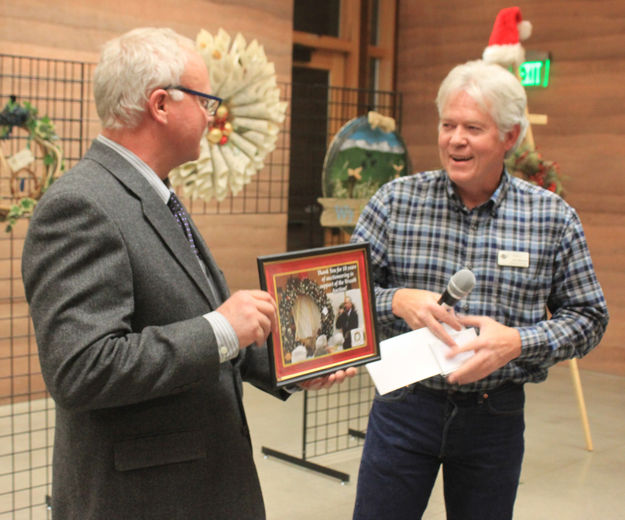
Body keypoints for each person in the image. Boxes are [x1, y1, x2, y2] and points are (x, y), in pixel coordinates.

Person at [21, 27, 354, 520]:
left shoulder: (155, 195)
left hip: (199, 483)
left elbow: (196, 323)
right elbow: (82, 369)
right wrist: (220, 328)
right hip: (144, 498)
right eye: (205, 101)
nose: (211, 117)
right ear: (160, 104)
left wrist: (294, 363)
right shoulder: (82, 204)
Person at [351, 60, 609, 520]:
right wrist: (396, 299)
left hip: (496, 417)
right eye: (448, 124)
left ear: (509, 137)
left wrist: (518, 341)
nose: (455, 139)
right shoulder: (394, 202)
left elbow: (589, 316)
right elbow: (342, 299)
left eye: (473, 127)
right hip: (404, 407)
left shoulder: (552, 218)